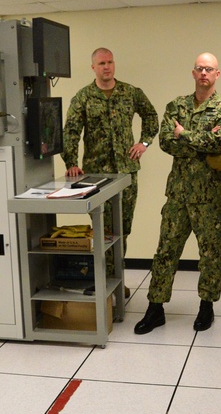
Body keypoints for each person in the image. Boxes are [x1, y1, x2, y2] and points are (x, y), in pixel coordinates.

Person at [134, 53, 221, 334]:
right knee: (165, 251)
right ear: (193, 73)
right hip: (179, 193)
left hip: (211, 195)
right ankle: (155, 308)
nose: (204, 73)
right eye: (200, 69)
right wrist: (200, 139)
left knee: (210, 253)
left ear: (218, 74)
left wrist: (186, 134)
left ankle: (207, 305)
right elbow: (167, 142)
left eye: (210, 69)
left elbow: (219, 141)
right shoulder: (175, 106)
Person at [63, 48, 159, 286]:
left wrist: (144, 142)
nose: (107, 66)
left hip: (126, 172)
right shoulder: (83, 97)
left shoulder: (130, 92)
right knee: (103, 230)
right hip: (96, 175)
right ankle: (105, 282)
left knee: (123, 229)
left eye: (110, 62)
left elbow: (151, 116)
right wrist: (71, 162)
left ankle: (116, 279)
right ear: (93, 67)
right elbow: (71, 131)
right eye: (102, 63)